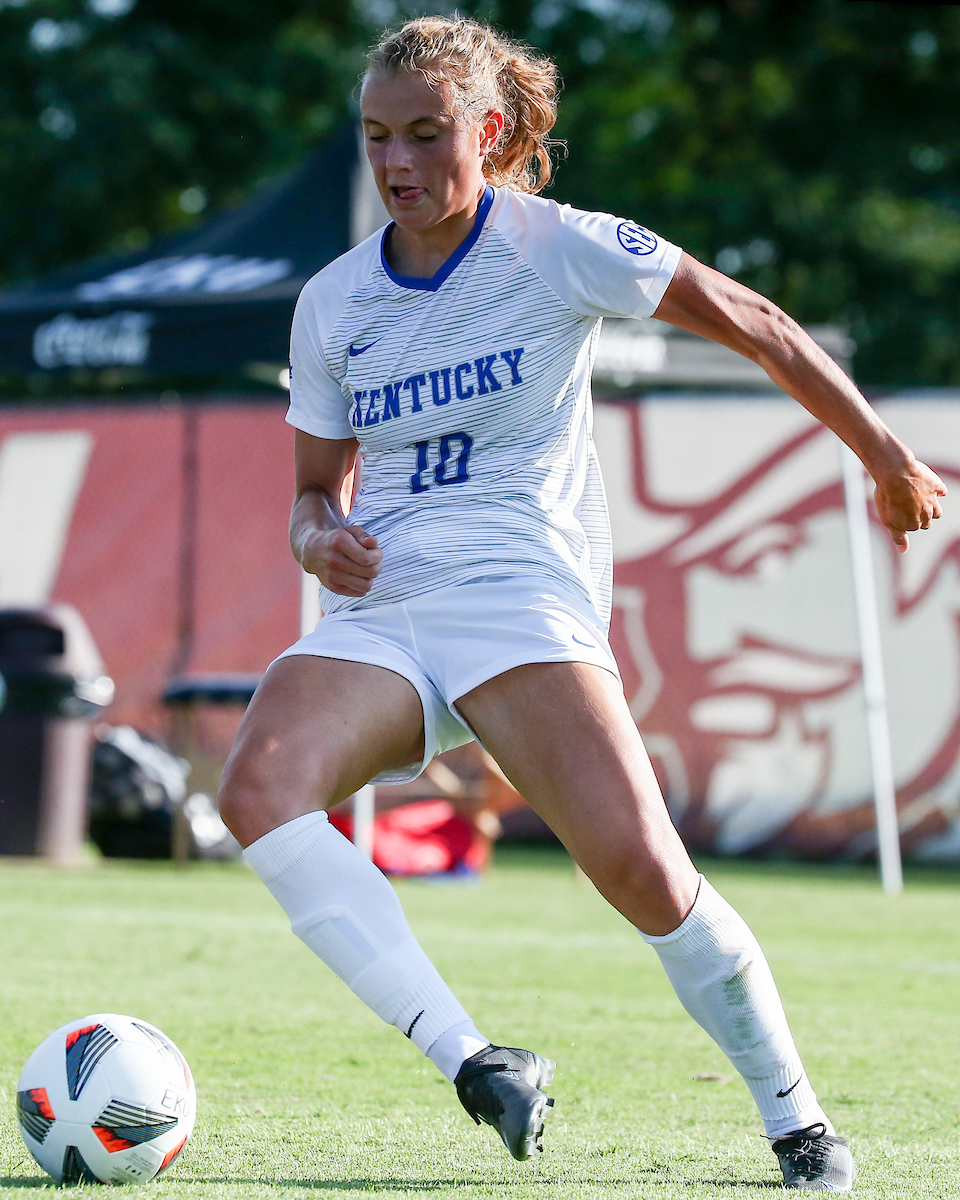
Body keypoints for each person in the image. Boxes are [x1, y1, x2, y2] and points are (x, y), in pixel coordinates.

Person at [218, 16, 946, 1191]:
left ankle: (799, 1123)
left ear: (489, 130)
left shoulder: (556, 247)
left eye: (425, 133)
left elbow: (753, 320)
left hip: (519, 601)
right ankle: (476, 1061)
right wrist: (320, 539)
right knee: (257, 787)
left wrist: (884, 455)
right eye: (375, 137)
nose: (396, 162)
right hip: (389, 612)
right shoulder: (333, 301)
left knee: (646, 876)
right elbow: (313, 491)